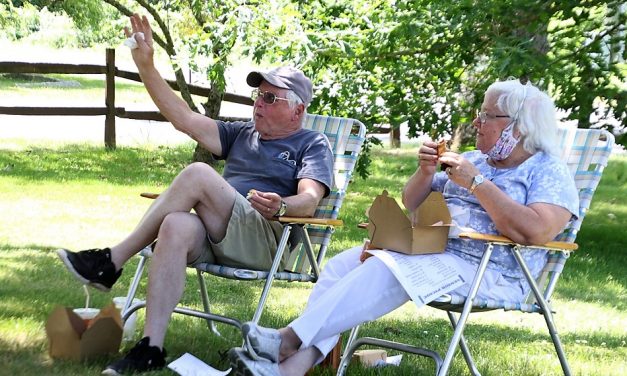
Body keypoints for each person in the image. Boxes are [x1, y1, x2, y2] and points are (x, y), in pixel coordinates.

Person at [227, 79, 580, 376]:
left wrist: (477, 184)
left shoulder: (547, 170)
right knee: (341, 265)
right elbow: (412, 202)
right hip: (435, 251)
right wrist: (426, 174)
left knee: (385, 264)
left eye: (486, 115)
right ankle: (289, 367)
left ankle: (286, 340)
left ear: (518, 125)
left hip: (493, 268)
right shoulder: (474, 160)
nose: (477, 122)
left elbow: (536, 231)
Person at [55, 14, 333, 375]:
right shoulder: (242, 133)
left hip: (265, 240)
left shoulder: (312, 143)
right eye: (257, 95)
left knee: (199, 173)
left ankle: (113, 259)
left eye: (269, 97)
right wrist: (146, 65)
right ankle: (150, 348)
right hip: (220, 232)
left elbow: (310, 198)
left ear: (297, 110)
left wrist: (283, 204)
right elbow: (182, 118)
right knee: (173, 224)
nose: (258, 104)